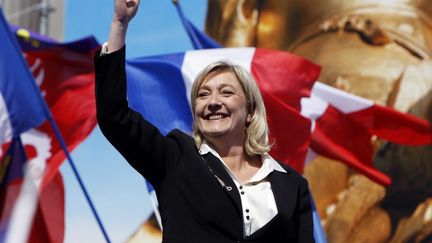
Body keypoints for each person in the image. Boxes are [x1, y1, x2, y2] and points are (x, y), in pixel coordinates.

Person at [94, 0, 315, 242]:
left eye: (226, 92)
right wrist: (119, 24)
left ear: (250, 111)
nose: (213, 102)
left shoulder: (292, 185)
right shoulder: (175, 158)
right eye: (203, 94)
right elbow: (113, 116)